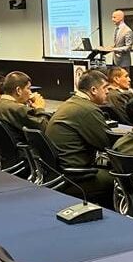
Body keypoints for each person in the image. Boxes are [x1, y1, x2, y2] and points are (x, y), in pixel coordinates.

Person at [45, 70, 113, 203]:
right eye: (105, 88)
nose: (108, 91)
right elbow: (107, 144)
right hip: (77, 177)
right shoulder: (87, 109)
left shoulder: (71, 103)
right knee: (123, 179)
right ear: (93, 90)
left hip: (59, 173)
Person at [0, 71, 48, 136]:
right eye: (28, 88)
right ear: (18, 90)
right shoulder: (19, 109)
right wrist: (40, 108)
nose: (30, 92)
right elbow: (45, 128)